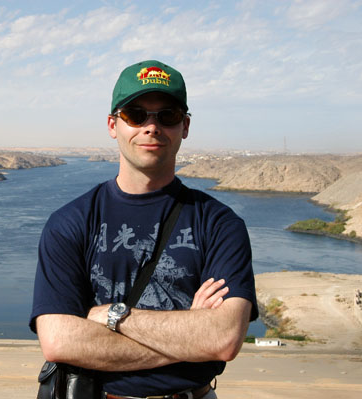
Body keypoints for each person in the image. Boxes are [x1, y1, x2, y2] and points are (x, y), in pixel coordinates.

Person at [30, 60, 258, 399]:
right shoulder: (70, 223)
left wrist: (110, 315)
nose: (151, 127)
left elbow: (223, 338)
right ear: (113, 125)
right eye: (136, 115)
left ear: (185, 126)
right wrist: (192, 335)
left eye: (167, 116)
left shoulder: (220, 225)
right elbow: (59, 341)